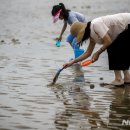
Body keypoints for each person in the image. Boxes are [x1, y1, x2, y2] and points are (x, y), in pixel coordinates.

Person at [63, 13, 130, 86]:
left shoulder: (95, 25)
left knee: (112, 47)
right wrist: (72, 62)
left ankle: (118, 79)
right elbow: (88, 53)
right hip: (124, 28)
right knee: (119, 48)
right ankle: (127, 77)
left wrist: (98, 53)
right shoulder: (92, 34)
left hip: (128, 23)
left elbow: (108, 41)